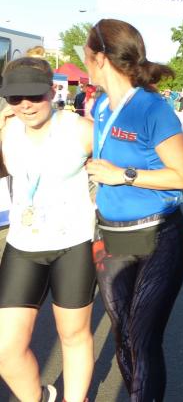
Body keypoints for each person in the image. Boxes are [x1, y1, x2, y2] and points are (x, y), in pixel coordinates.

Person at [83, 18, 183, 402]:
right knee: (124, 337)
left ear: (99, 57)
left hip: (158, 235)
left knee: (143, 338)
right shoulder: (100, 106)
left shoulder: (151, 108)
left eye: (86, 55)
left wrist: (124, 175)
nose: (84, 62)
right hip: (112, 235)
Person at [0, 57, 95, 402]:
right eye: (15, 98)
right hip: (23, 246)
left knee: (73, 335)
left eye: (34, 95)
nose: (25, 105)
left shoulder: (81, 130)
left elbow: (126, 164)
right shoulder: (7, 131)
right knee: (6, 350)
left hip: (73, 244)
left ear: (52, 91)